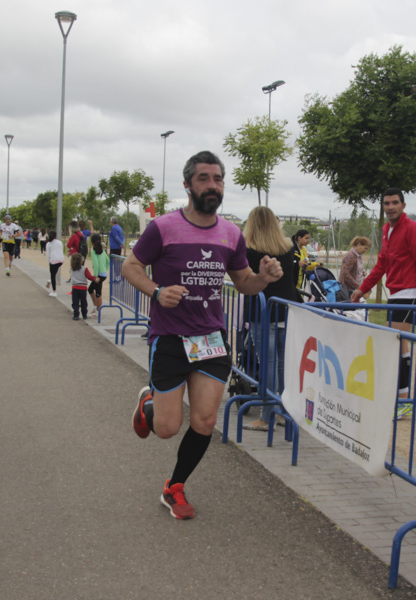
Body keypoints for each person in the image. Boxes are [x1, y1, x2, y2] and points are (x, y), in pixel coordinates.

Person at [124, 151, 283, 520]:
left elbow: (244, 283)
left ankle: (175, 486)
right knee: (165, 429)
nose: (212, 185)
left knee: (205, 422)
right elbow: (132, 266)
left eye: (218, 179)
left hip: (211, 340)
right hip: (169, 337)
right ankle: (149, 403)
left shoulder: (230, 233)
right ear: (188, 185)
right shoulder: (162, 228)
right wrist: (156, 291)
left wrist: (264, 278)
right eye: (204, 179)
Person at [349, 188, 416, 420]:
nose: (390, 207)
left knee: (395, 344)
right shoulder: (387, 230)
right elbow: (382, 264)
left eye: (395, 203)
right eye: (386, 203)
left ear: (403, 205)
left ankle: (402, 402)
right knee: (399, 345)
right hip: (396, 293)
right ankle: (400, 399)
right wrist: (363, 288)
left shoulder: (413, 229)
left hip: (410, 294)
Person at [240, 206, 298, 432]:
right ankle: (282, 410)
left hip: (262, 312)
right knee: (283, 365)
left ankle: (267, 415)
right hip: (286, 309)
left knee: (268, 365)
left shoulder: (248, 250)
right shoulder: (288, 247)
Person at [67, 252, 96, 320]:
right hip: (83, 288)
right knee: (83, 302)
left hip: (75, 287)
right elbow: (89, 277)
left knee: (75, 302)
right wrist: (95, 278)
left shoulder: (72, 269)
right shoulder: (84, 268)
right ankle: (84, 314)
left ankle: (76, 315)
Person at [88, 233, 109, 317]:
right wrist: (105, 269)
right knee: (92, 290)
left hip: (98, 275)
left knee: (97, 292)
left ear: (92, 242)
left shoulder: (93, 251)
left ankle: (97, 311)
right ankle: (96, 307)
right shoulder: (102, 250)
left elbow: (96, 264)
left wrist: (95, 276)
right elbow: (108, 261)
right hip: (103, 274)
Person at [46, 230, 64, 297]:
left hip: (53, 260)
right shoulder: (59, 242)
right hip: (60, 260)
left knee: (53, 275)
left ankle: (54, 291)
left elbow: (48, 254)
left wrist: (48, 263)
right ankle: (50, 281)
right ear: (55, 236)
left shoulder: (48, 244)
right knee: (54, 273)